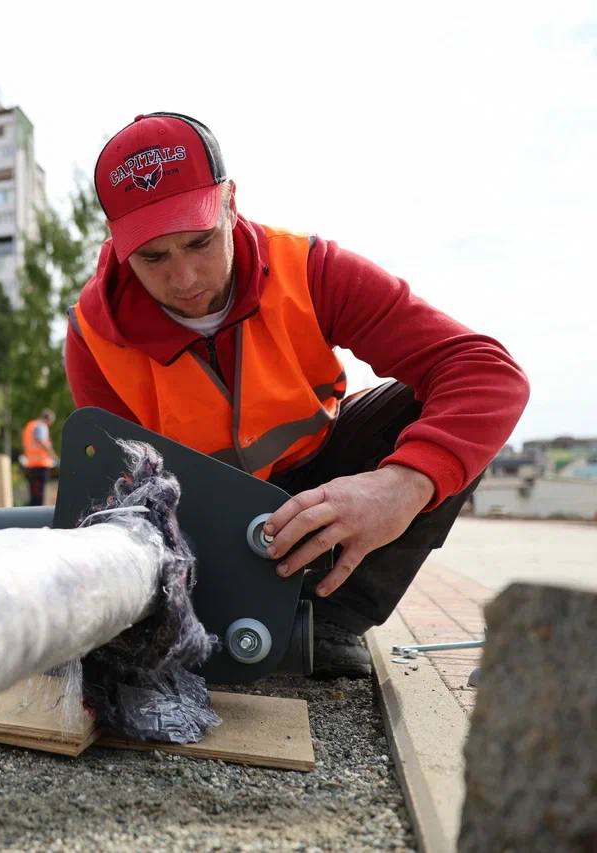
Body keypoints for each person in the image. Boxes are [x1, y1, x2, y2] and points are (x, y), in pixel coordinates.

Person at [65, 113, 529, 677]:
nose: (185, 278)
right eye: (153, 258)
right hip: (195, 516)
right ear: (116, 244)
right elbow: (123, 496)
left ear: (230, 201)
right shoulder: (94, 334)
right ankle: (237, 622)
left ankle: (331, 621)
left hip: (319, 479)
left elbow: (486, 371)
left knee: (449, 412)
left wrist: (401, 485)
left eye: (200, 241)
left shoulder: (307, 270)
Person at [20, 409, 58, 507]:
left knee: (34, 494)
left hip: (31, 463)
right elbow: (41, 441)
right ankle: (37, 516)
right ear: (48, 419)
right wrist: (53, 456)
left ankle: (32, 515)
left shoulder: (30, 425)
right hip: (41, 464)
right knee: (39, 495)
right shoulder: (41, 426)